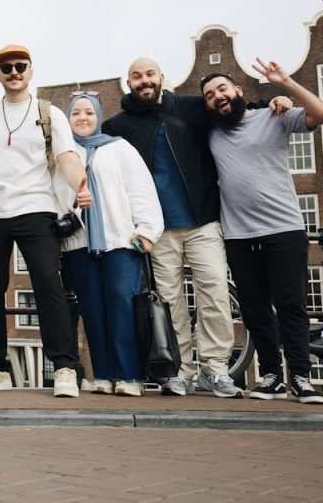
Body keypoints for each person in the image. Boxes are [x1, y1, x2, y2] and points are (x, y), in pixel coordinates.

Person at [102, 57, 244, 398]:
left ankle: (216, 369)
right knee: (169, 303)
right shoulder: (118, 126)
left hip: (202, 221)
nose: (144, 81)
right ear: (129, 83)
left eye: (150, 74)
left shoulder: (191, 107)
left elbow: (237, 110)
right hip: (157, 230)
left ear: (162, 78)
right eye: (137, 76)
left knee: (214, 295)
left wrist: (274, 103)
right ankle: (181, 371)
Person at [202, 60, 323, 405]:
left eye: (223, 89)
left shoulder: (274, 115)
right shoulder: (212, 131)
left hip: (283, 228)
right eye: (210, 95)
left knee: (291, 305)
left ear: (238, 91)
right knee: (255, 308)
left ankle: (301, 378)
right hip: (239, 235)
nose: (218, 97)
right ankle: (272, 376)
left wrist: (286, 84)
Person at [0, 45, 91, 397]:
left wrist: (80, 186)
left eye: (20, 66)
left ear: (31, 71)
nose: (14, 72)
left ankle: (65, 366)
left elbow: (66, 156)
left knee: (47, 284)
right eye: (7, 68)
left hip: (35, 208)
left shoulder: (48, 113)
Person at [57, 94, 164, 397]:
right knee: (92, 309)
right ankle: (103, 374)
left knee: (122, 304)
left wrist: (146, 231)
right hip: (79, 243)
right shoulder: (63, 154)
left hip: (120, 240)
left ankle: (129, 375)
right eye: (75, 112)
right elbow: (56, 196)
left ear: (99, 115)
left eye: (89, 112)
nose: (82, 118)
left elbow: (140, 189)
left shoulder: (119, 149)